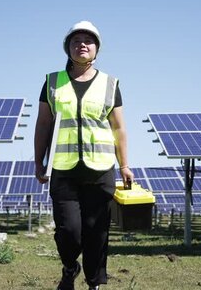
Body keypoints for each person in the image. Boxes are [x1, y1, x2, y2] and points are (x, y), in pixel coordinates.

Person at [34, 20, 134, 290]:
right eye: (76, 41)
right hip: (64, 170)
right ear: (68, 48)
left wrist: (124, 165)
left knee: (97, 233)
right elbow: (43, 123)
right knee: (69, 232)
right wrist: (38, 160)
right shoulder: (52, 82)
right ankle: (70, 267)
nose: (82, 45)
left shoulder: (110, 84)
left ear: (96, 50)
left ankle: (94, 283)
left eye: (88, 41)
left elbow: (119, 127)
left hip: (100, 168)